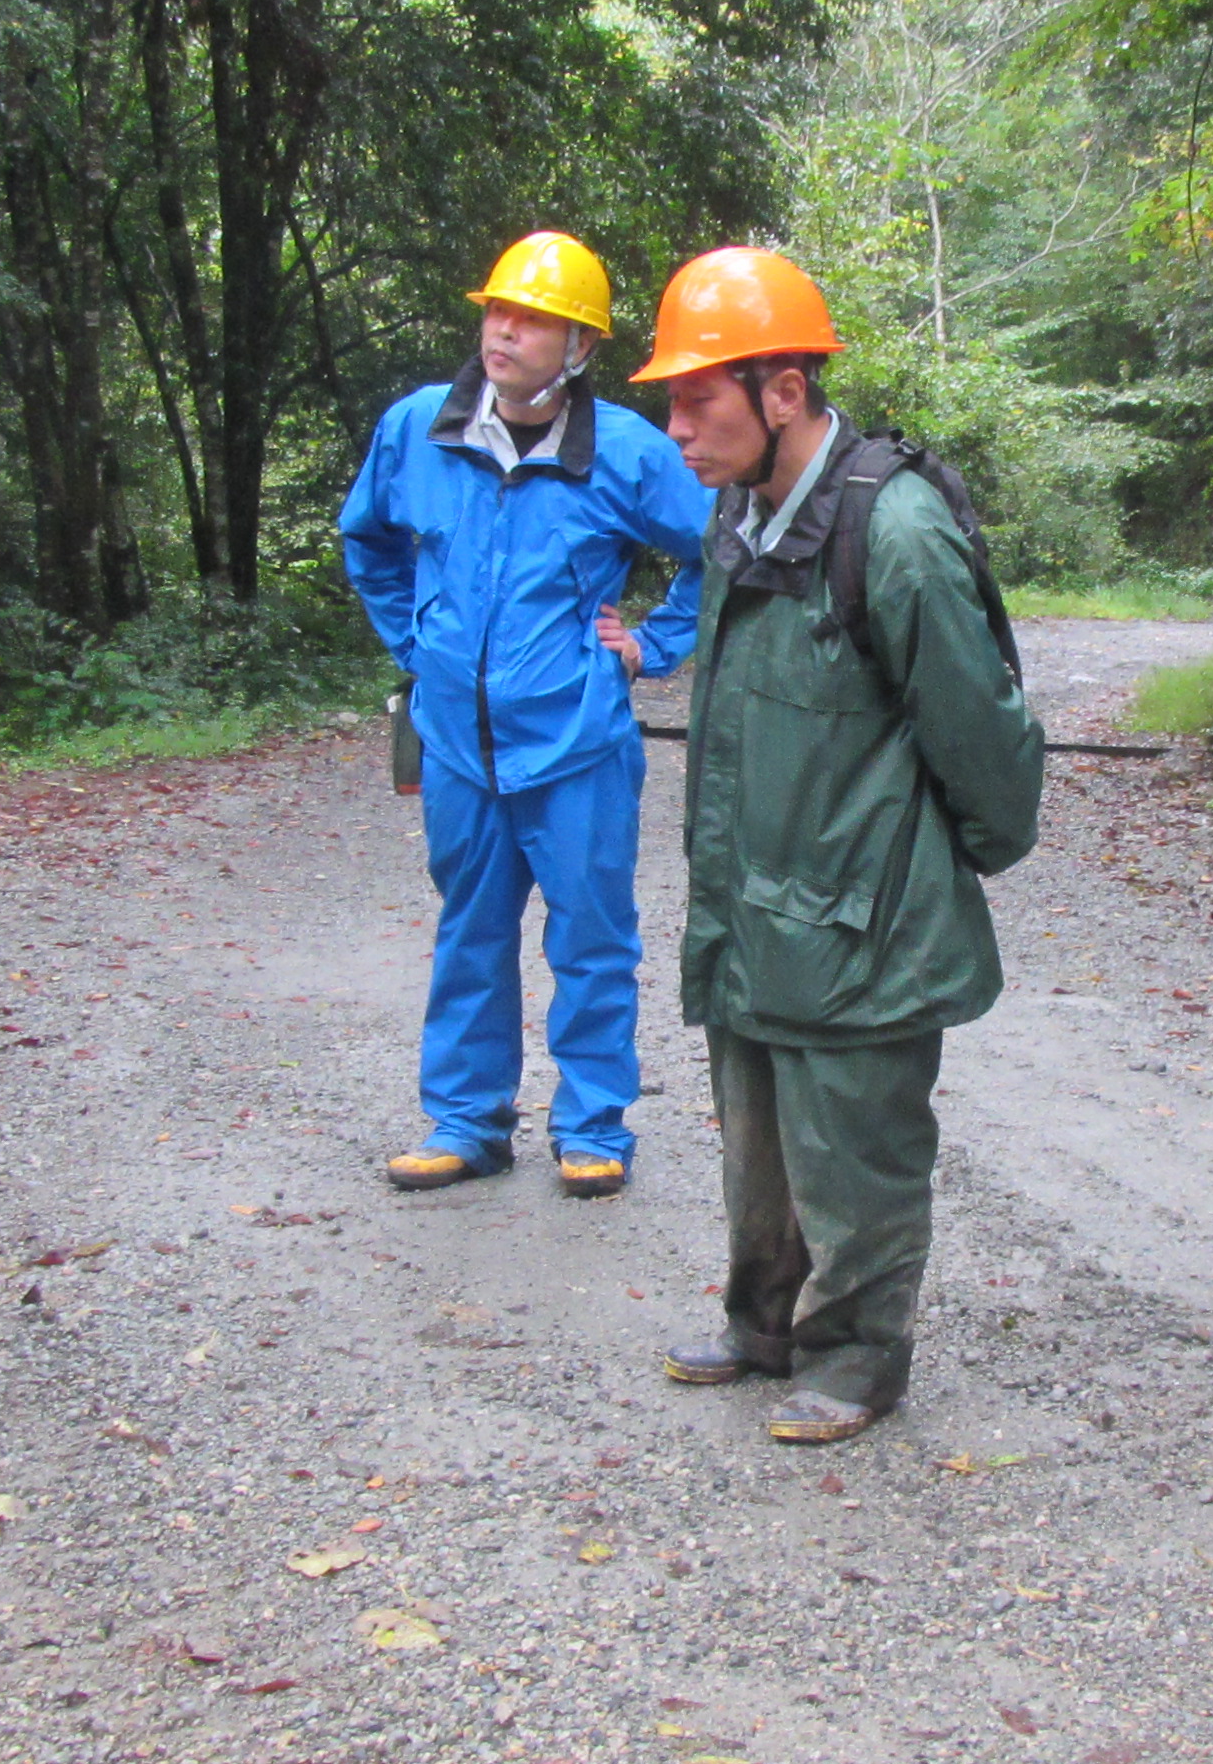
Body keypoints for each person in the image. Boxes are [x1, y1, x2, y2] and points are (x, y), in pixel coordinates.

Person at [632, 248, 1044, 1445]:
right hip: (759, 902)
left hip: (865, 912)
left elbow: (985, 738)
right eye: (671, 401)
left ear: (783, 390)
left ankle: (858, 1358)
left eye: (695, 400)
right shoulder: (740, 511)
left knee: (856, 1144)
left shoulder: (895, 527)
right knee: (758, 1134)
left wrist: (938, 864)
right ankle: (765, 1325)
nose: (676, 429)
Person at [337, 231, 711, 1198]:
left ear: (579, 346)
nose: (505, 330)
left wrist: (653, 646)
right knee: (470, 929)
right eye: (498, 310)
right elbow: (367, 540)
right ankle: (466, 1122)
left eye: (535, 319)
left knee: (591, 938)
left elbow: (725, 549)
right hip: (459, 746)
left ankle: (592, 1127)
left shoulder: (628, 452)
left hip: (579, 745)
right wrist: (417, 647)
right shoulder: (418, 428)